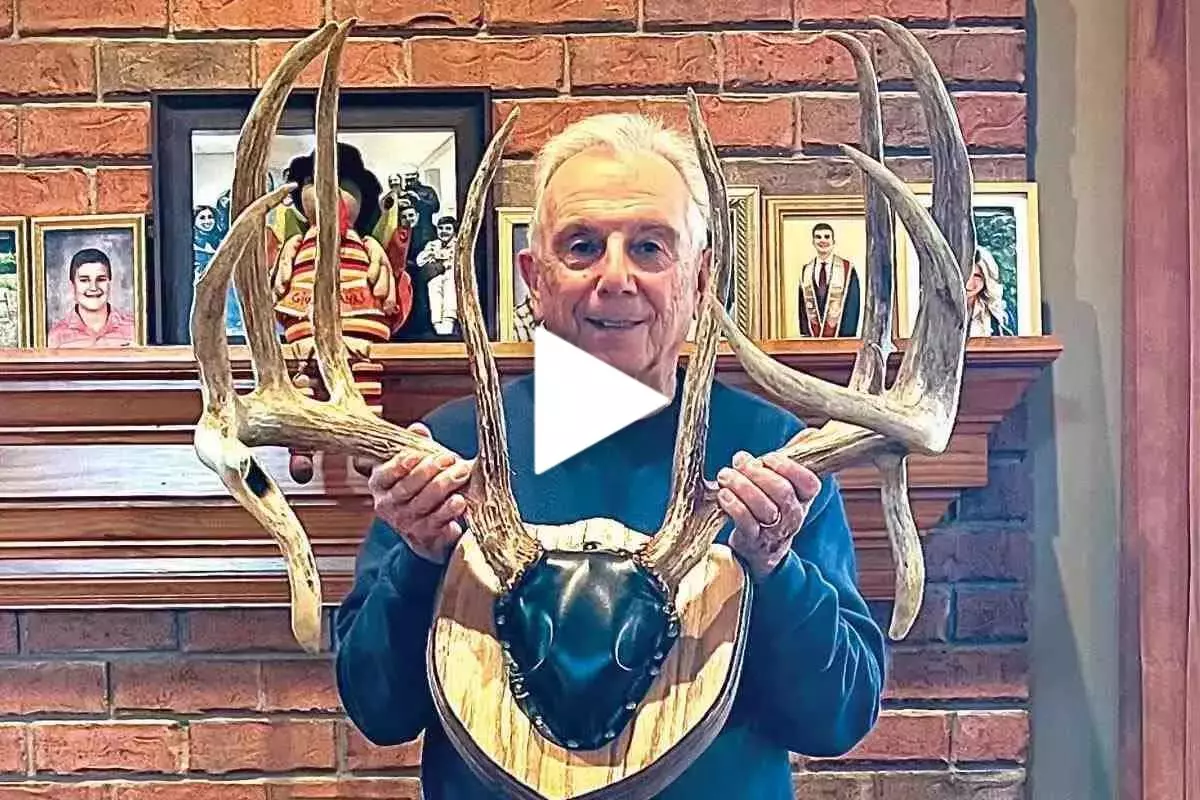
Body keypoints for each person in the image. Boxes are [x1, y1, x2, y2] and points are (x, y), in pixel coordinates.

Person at [334, 113, 886, 799]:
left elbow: (838, 717)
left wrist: (775, 568)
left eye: (650, 248)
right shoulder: (447, 456)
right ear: (534, 277)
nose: (616, 277)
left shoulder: (778, 460)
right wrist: (420, 560)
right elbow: (378, 710)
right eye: (582, 246)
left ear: (701, 277)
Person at [46, 247, 135, 348]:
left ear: (109, 283)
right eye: (84, 280)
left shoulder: (134, 328)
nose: (93, 288)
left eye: (101, 279)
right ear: (72, 286)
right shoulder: (56, 336)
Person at [797, 222, 861, 338]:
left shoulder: (847, 269)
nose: (823, 240)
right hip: (812, 341)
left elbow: (853, 306)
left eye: (827, 237)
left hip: (841, 338)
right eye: (818, 237)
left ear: (833, 241)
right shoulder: (805, 271)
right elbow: (802, 309)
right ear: (813, 242)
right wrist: (806, 337)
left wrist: (847, 338)